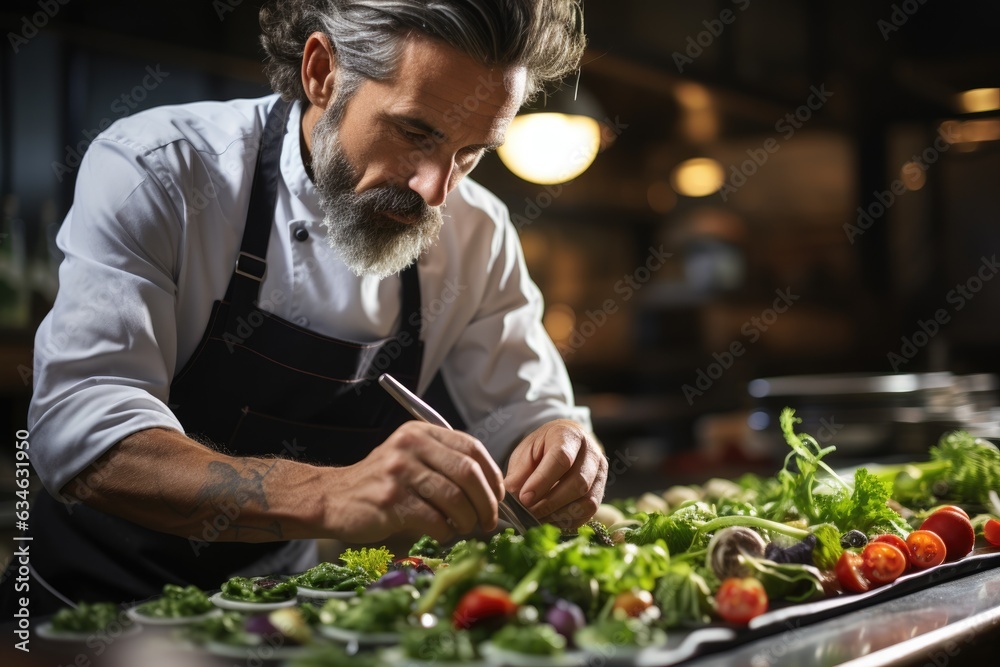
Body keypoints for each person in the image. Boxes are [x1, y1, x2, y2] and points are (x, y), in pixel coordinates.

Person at [4, 0, 607, 614]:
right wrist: (333, 494)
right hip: (78, 610)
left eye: (472, 152)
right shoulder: (162, 170)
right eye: (415, 133)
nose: (436, 189)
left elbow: (526, 412)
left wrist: (561, 447)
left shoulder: (478, 232)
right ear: (322, 72)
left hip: (274, 616)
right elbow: (83, 435)